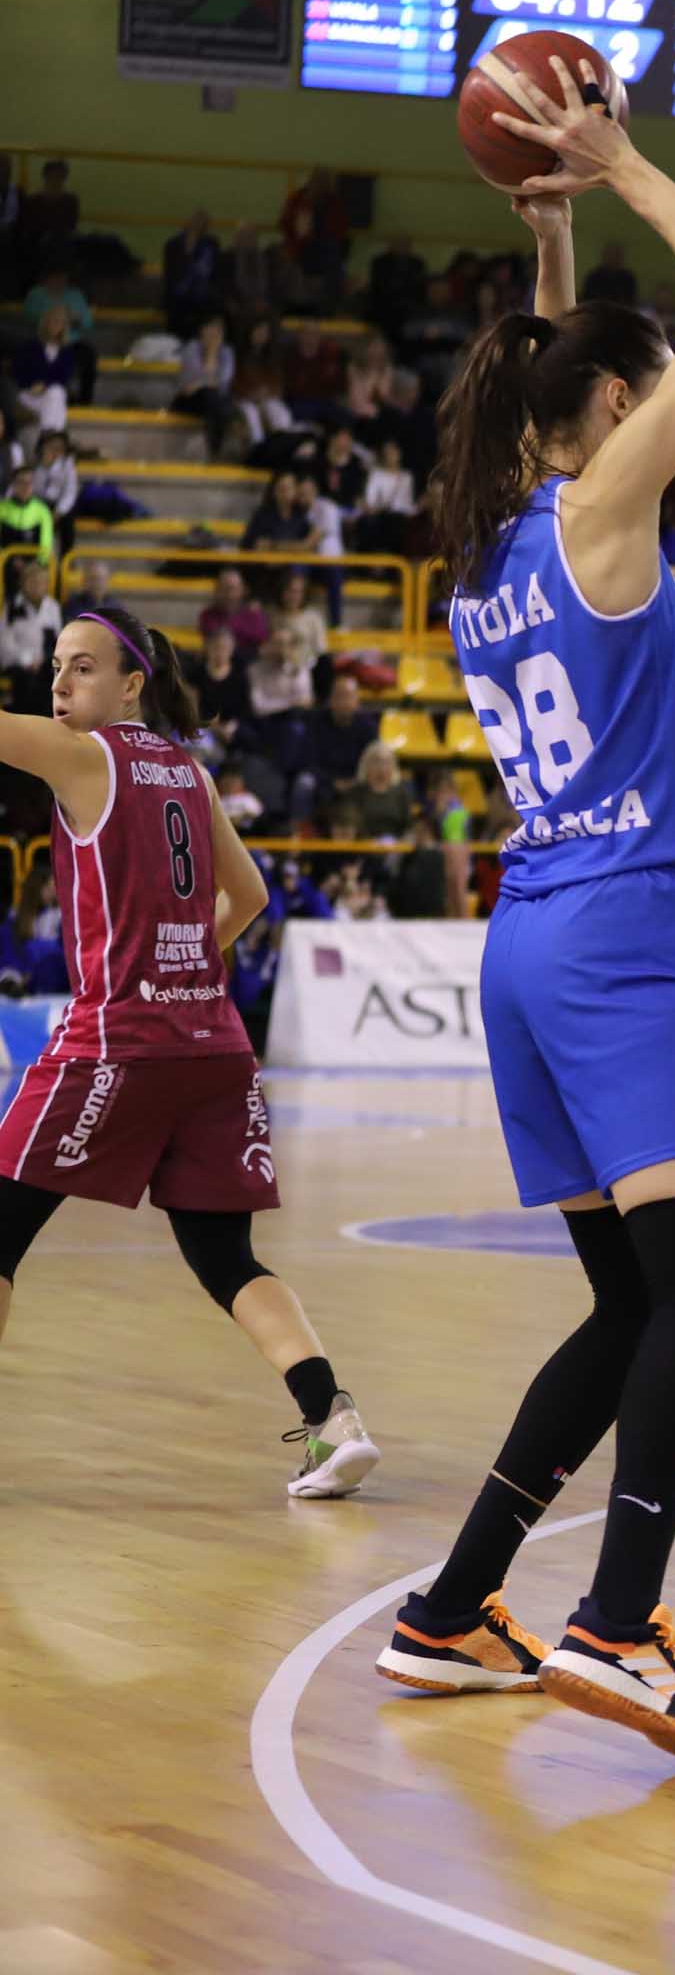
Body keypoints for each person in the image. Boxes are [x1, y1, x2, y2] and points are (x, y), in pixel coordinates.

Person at [372, 56, 675, 1771]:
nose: (663, 410)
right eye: (643, 393)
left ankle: (456, 1606)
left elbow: (542, 388)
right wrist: (620, 169)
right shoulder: (611, 510)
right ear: (613, 414)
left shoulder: (488, 541)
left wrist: (551, 268)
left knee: (631, 1307)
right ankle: (616, 1627)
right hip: (618, 927)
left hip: (528, 937)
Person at [0, 606, 377, 1497]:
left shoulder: (86, 755)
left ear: (132, 684)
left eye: (82, 669)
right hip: (211, 1044)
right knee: (225, 1257)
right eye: (56, 667)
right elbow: (247, 897)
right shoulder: (190, 773)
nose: (59, 686)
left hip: (117, 1040)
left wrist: (145, 977)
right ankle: (335, 1420)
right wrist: (180, 967)